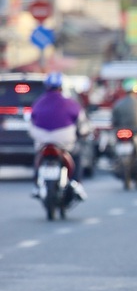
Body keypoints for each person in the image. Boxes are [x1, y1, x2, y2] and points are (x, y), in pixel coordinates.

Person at [29, 72, 90, 201]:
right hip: (64, 140)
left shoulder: (38, 103)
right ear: (61, 87)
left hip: (42, 139)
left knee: (38, 157)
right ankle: (76, 183)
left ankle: (36, 186)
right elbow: (82, 124)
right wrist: (83, 133)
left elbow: (31, 121)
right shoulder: (71, 103)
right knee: (77, 155)